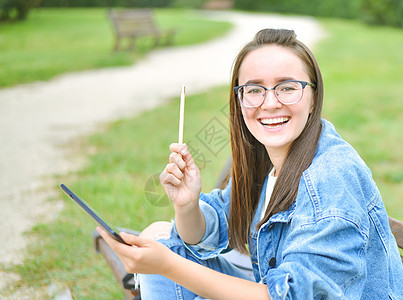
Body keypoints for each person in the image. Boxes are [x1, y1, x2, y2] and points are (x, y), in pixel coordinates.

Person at [97, 28, 403, 299]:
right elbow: (208, 231)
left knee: (166, 259)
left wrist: (167, 266)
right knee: (162, 238)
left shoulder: (331, 176)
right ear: (240, 100)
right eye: (254, 90)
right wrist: (186, 204)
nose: (269, 103)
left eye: (287, 87)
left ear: (313, 97)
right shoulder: (266, 161)